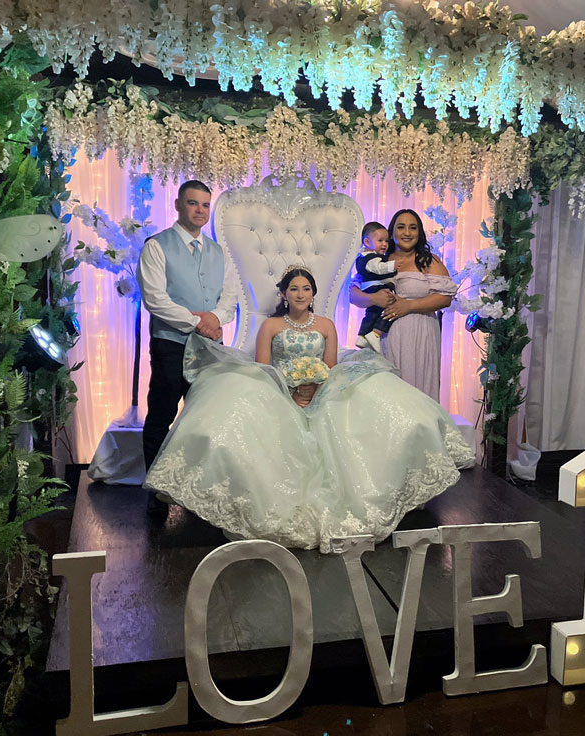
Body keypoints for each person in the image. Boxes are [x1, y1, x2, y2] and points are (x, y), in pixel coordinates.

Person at [143, 265, 474, 552]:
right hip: (279, 388)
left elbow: (329, 367)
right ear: (285, 294)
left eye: (306, 288)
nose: (300, 294)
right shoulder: (271, 327)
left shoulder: (326, 325)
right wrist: (290, 390)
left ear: (313, 294)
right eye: (294, 289)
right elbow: (263, 368)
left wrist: (313, 387)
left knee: (383, 405)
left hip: (321, 388)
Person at [137, 179, 239, 515]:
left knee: (206, 420)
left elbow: (230, 296)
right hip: (171, 345)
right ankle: (155, 492)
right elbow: (155, 299)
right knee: (161, 417)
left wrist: (215, 319)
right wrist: (197, 322)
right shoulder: (157, 246)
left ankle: (202, 496)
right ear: (179, 205)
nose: (200, 211)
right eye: (193, 203)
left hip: (211, 348)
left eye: (205, 205)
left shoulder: (217, 251)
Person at [349, 209, 456, 402]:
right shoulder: (378, 260)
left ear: (419, 232)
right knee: (387, 394)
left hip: (421, 335)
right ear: (391, 232)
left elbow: (445, 298)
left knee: (418, 393)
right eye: (401, 227)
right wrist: (374, 299)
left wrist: (409, 306)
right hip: (383, 336)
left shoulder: (429, 261)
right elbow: (354, 295)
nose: (407, 232)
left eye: (412, 228)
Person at [353, 221, 395, 350]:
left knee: (371, 313)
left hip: (371, 287)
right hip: (377, 287)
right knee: (389, 311)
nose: (384, 244)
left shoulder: (365, 256)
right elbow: (378, 268)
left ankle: (362, 335)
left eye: (386, 241)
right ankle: (376, 333)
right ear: (367, 242)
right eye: (380, 240)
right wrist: (393, 265)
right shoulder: (372, 258)